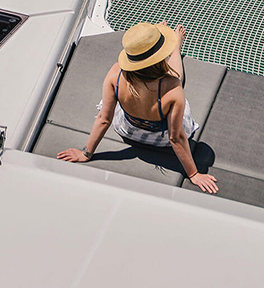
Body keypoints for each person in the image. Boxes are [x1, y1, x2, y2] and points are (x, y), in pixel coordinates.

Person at [57, 21, 219, 193]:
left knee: (118, 99)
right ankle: (176, 48)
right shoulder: (173, 88)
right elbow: (175, 138)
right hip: (161, 139)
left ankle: (147, 42)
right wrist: (194, 174)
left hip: (127, 129)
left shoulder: (115, 72)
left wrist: (86, 154)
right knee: (176, 78)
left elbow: (104, 119)